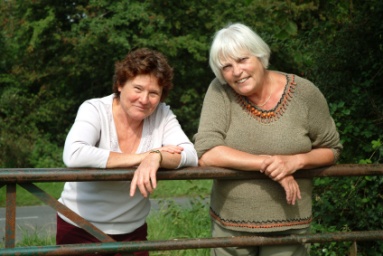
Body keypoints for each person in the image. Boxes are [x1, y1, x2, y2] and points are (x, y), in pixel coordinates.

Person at [193, 23, 342, 256]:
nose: (236, 71)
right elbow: (206, 152)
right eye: (227, 66)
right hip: (231, 229)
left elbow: (332, 149)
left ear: (260, 56)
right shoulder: (219, 91)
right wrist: (268, 164)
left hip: (290, 227)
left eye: (242, 60)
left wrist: (295, 162)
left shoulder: (304, 94)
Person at [57, 48, 198, 256]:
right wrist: (143, 157)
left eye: (153, 93)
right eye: (138, 88)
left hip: (132, 233)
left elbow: (190, 154)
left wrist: (156, 157)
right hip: (79, 228)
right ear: (120, 85)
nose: (144, 99)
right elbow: (74, 153)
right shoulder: (94, 109)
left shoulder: (162, 114)